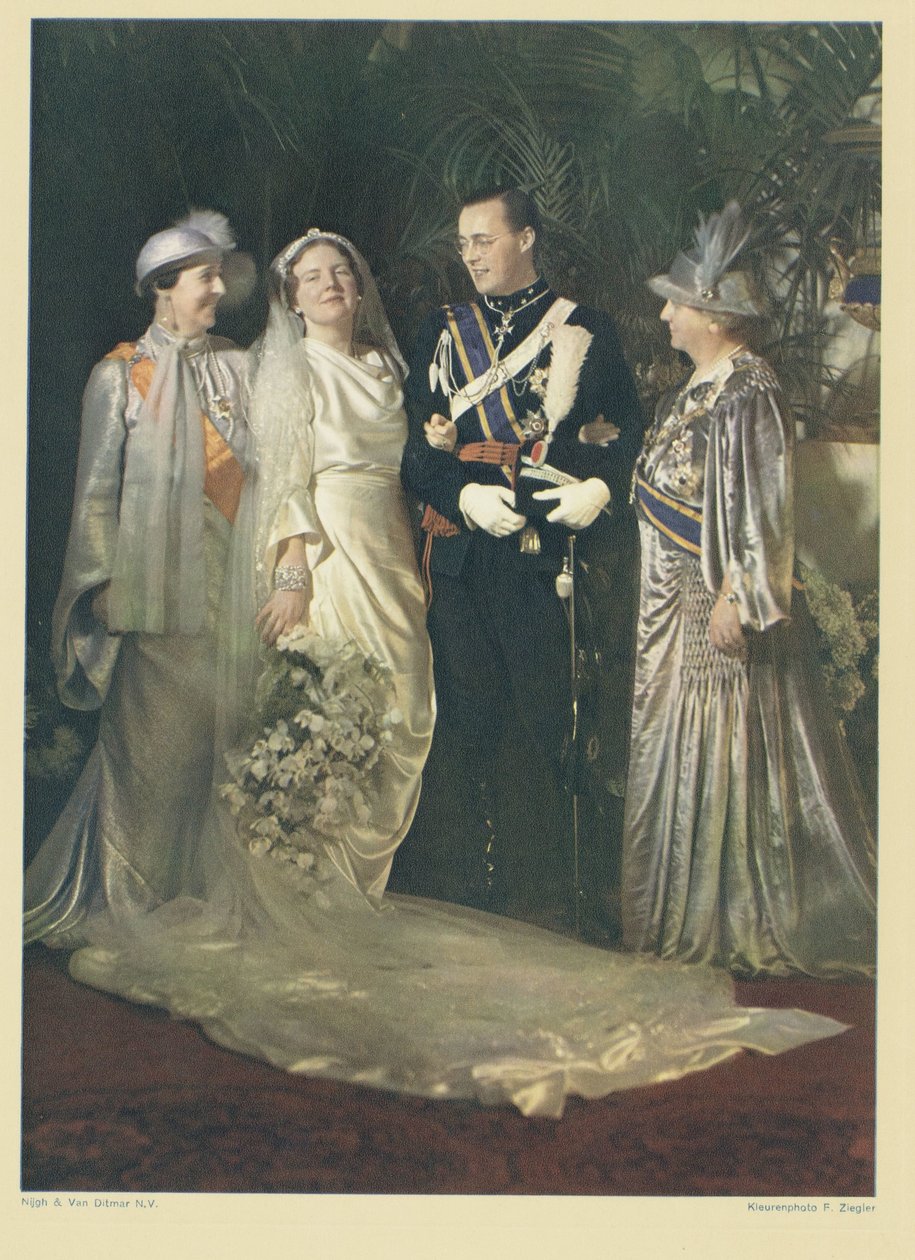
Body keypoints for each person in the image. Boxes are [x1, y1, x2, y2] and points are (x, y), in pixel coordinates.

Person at [36, 227, 850, 1118]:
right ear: (287, 296)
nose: (332, 284)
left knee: (400, 715)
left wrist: (460, 476)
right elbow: (280, 475)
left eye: (343, 271)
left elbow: (423, 461)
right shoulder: (271, 367)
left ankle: (355, 892)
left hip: (392, 548)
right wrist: (293, 569)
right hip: (328, 555)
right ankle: (310, 898)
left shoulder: (392, 363)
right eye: (312, 277)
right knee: (327, 712)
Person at [621, 202, 877, 978]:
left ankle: (726, 916)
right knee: (677, 743)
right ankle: (677, 913)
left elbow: (763, 502)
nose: (664, 316)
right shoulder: (696, 387)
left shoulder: (748, 388)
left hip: (709, 602)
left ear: (712, 315)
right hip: (666, 606)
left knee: (722, 747)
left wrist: (740, 592)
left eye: (675, 303)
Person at [394, 186, 644, 928]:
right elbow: (413, 449)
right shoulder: (442, 332)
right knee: (465, 716)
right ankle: (464, 884)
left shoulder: (584, 328)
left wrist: (601, 486)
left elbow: (627, 427)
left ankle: (548, 894)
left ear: (526, 238)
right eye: (463, 243)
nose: (470, 255)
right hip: (460, 553)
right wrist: (460, 494)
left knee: (543, 718)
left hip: (544, 549)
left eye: (484, 239)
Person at [24, 211, 251, 945]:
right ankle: (134, 902)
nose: (218, 289)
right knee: (153, 759)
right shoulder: (118, 376)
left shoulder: (240, 366)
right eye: (205, 278)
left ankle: (203, 903)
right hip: (152, 598)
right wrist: (100, 587)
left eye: (219, 276)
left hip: (232, 592)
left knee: (220, 756)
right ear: (163, 288)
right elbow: (95, 495)